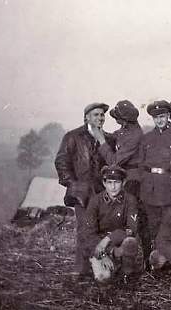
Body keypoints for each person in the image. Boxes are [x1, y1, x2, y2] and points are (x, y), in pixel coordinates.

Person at [55, 102, 113, 278]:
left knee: (103, 228)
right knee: (84, 229)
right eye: (95, 114)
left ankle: (102, 268)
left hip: (103, 193)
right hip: (82, 193)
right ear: (86, 117)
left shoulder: (109, 139)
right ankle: (81, 269)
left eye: (102, 115)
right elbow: (61, 162)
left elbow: (113, 163)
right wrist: (74, 185)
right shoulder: (73, 137)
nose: (100, 118)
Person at [138, 100, 171, 268]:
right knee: (153, 227)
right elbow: (141, 165)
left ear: (168, 116)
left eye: (163, 116)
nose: (160, 120)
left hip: (170, 189)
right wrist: (144, 185)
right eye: (156, 117)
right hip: (150, 189)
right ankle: (152, 263)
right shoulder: (146, 138)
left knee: (169, 227)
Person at [84, 166, 143, 283]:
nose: (113, 187)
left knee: (130, 242)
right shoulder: (95, 201)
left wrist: (108, 239)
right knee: (103, 277)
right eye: (109, 182)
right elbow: (89, 233)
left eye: (117, 182)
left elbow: (131, 229)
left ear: (123, 182)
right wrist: (104, 254)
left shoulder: (130, 200)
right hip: (99, 246)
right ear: (104, 183)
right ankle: (102, 264)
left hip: (119, 243)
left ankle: (127, 272)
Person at [99, 100, 143, 197]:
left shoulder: (135, 135)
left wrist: (102, 142)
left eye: (117, 117)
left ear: (125, 120)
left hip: (131, 181)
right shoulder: (125, 130)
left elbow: (114, 161)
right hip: (124, 178)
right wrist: (100, 132)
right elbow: (115, 136)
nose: (115, 119)